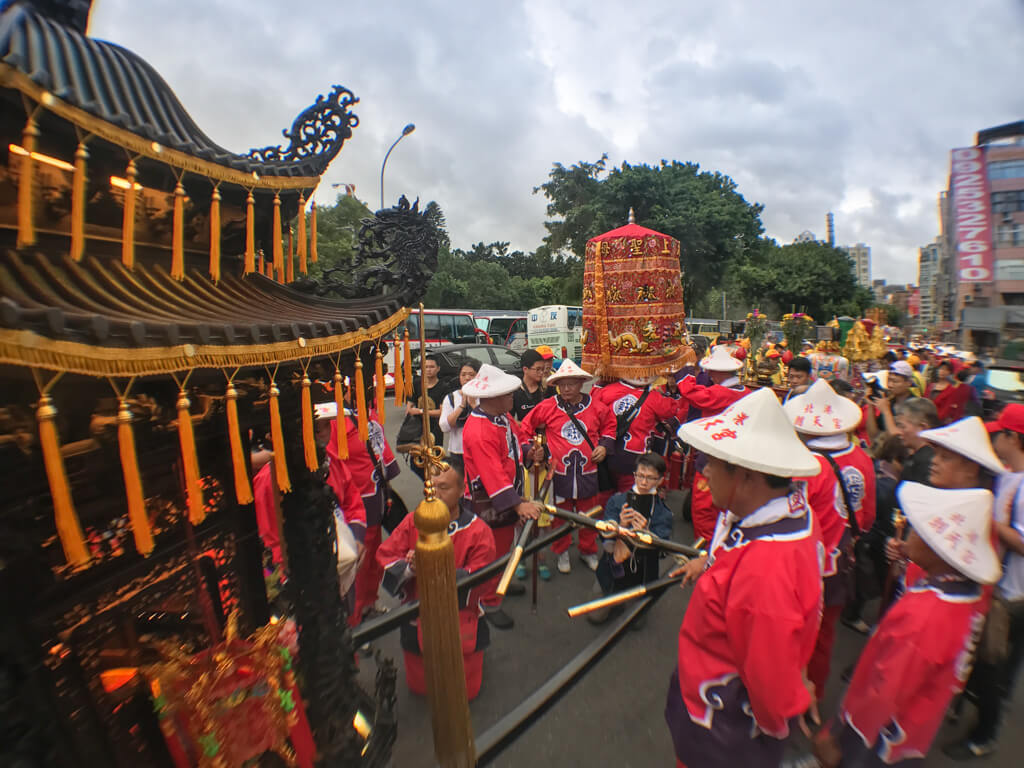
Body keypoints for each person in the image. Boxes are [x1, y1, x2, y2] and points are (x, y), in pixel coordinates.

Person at [665, 388, 824, 768]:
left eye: (716, 461)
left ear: (749, 475)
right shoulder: (787, 513)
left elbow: (769, 686)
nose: (703, 470)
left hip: (723, 728)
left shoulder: (762, 572)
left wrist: (785, 708)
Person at [814, 483, 999, 768]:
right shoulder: (964, 599)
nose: (909, 533)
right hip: (912, 733)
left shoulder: (924, 617)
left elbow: (884, 693)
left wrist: (840, 738)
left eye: (917, 530)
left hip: (877, 740)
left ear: (937, 549)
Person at [375, 456, 496, 700]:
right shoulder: (413, 522)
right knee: (420, 686)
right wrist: (410, 570)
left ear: (463, 490)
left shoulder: (477, 531)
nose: (435, 493)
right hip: (417, 614)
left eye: (444, 487)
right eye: (431, 485)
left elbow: (483, 578)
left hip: (460, 616)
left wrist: (434, 567)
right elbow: (386, 556)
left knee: (464, 690)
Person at [784, 378, 874, 705]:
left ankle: (787, 698)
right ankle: (813, 698)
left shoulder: (803, 465)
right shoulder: (863, 459)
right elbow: (866, 516)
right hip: (840, 564)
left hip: (802, 567)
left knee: (789, 636)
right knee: (823, 639)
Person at [944, 404, 1024, 759]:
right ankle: (962, 707)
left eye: (1001, 433)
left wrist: (987, 520)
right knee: (977, 659)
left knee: (992, 669)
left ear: (1014, 438)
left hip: (1012, 595)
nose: (995, 437)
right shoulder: (1007, 473)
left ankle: (985, 735)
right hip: (992, 585)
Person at [461, 363, 543, 630]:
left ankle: (499, 585)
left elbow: (517, 442)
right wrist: (518, 505)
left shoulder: (501, 417)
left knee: (505, 546)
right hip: (489, 499)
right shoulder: (479, 430)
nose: (513, 398)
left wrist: (529, 451)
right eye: (508, 394)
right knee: (490, 553)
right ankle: (487, 600)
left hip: (506, 491)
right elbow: (491, 474)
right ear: (493, 398)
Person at [521, 360, 615, 574]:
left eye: (570, 384)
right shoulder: (548, 406)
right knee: (559, 515)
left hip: (587, 471)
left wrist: (604, 446)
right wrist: (532, 449)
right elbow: (526, 426)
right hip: (559, 472)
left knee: (588, 515)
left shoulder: (597, 407)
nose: (565, 389)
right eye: (561, 385)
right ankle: (561, 550)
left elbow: (610, 427)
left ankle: (588, 550)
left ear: (581, 383)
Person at [330, 390, 401, 626]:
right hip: (357, 498)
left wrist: (387, 476)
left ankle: (370, 602)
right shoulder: (333, 420)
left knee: (374, 557)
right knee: (358, 563)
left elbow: (380, 447)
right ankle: (355, 619)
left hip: (377, 492)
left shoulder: (368, 410)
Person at [674, 345, 751, 545]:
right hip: (737, 457)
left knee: (704, 510)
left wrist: (684, 369)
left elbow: (690, 393)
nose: (708, 374)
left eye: (711, 371)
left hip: (714, 458)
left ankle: (706, 551)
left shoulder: (721, 393)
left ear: (719, 373)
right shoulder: (745, 391)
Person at [589, 453, 674, 624]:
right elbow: (603, 534)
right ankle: (613, 599)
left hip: (642, 572)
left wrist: (646, 532)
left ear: (659, 480)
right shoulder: (618, 500)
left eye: (650, 478)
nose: (643, 482)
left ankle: (630, 604)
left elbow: (663, 549)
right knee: (595, 617)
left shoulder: (663, 513)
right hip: (613, 566)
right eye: (640, 475)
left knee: (635, 623)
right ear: (634, 474)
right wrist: (620, 525)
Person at [591, 374, 682, 492]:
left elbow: (592, 407)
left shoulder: (606, 391)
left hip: (607, 453)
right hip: (635, 459)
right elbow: (673, 409)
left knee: (607, 498)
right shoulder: (654, 397)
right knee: (632, 500)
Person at [406, 353, 445, 472]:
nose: (428, 370)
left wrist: (421, 411)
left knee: (434, 461)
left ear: (438, 368)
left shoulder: (443, 387)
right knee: (416, 463)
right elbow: (409, 408)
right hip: (418, 430)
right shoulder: (417, 384)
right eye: (426, 367)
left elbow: (441, 412)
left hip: (435, 430)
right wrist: (415, 412)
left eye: (432, 367)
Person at [864, 361, 915, 441]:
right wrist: (870, 406)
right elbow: (874, 436)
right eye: (889, 380)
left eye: (895, 381)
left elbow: (899, 439)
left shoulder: (915, 405)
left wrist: (886, 412)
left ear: (908, 383)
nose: (890, 385)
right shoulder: (889, 403)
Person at [439, 358, 480, 457]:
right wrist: (461, 406)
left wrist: (474, 405)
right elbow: (444, 427)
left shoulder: (486, 397)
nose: (467, 378)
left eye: (471, 375)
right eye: (463, 375)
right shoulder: (451, 398)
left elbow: (489, 423)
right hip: (458, 450)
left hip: (480, 449)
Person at [893, 397, 939, 484]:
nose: (899, 432)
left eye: (902, 427)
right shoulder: (919, 457)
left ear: (923, 427)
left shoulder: (928, 463)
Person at [926, 359, 973, 424]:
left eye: (946, 370)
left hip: (936, 424)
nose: (942, 371)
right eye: (941, 368)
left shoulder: (952, 390)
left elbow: (945, 411)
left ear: (950, 373)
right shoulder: (930, 386)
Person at [512, 348, 551, 423]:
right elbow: (510, 420)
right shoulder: (515, 392)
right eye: (538, 369)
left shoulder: (548, 387)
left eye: (543, 369)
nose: (541, 373)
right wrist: (528, 425)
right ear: (525, 369)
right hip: (525, 432)